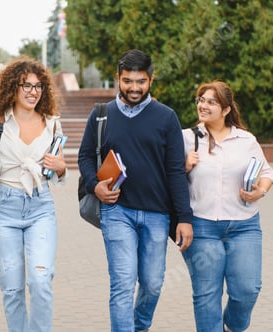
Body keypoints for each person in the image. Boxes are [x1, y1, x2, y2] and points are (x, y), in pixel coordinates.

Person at [78, 49, 193, 332]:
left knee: (152, 284)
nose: (133, 87)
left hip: (157, 215)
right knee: (122, 283)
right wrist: (96, 186)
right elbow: (84, 157)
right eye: (127, 80)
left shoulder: (167, 118)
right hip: (117, 212)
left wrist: (185, 217)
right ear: (118, 78)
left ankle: (139, 326)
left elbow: (176, 171)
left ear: (151, 80)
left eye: (140, 81)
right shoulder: (101, 115)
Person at [0, 56, 67, 332]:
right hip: (4, 209)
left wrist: (61, 168)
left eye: (38, 86)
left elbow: (58, 172)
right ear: (12, 88)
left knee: (40, 281)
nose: (32, 91)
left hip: (40, 207)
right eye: (25, 85)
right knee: (13, 289)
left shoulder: (52, 124)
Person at [181, 80, 273, 332]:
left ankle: (232, 326)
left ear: (225, 110)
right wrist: (183, 166)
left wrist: (260, 190)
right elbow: (167, 179)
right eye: (200, 100)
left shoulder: (245, 140)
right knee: (206, 294)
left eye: (211, 101)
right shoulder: (186, 139)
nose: (203, 105)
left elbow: (267, 172)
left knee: (247, 289)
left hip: (244, 225)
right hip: (201, 227)